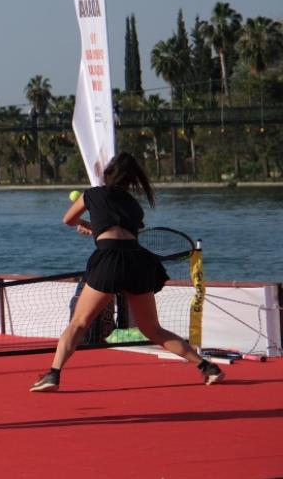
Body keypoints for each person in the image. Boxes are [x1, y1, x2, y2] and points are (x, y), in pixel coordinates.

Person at [30, 151, 223, 391]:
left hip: (109, 260)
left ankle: (53, 375)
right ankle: (207, 367)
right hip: (138, 262)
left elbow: (68, 219)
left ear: (107, 173)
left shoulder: (92, 194)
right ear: (131, 180)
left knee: (79, 323)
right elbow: (121, 232)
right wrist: (95, 228)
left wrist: (84, 225)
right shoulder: (133, 205)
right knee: (152, 329)